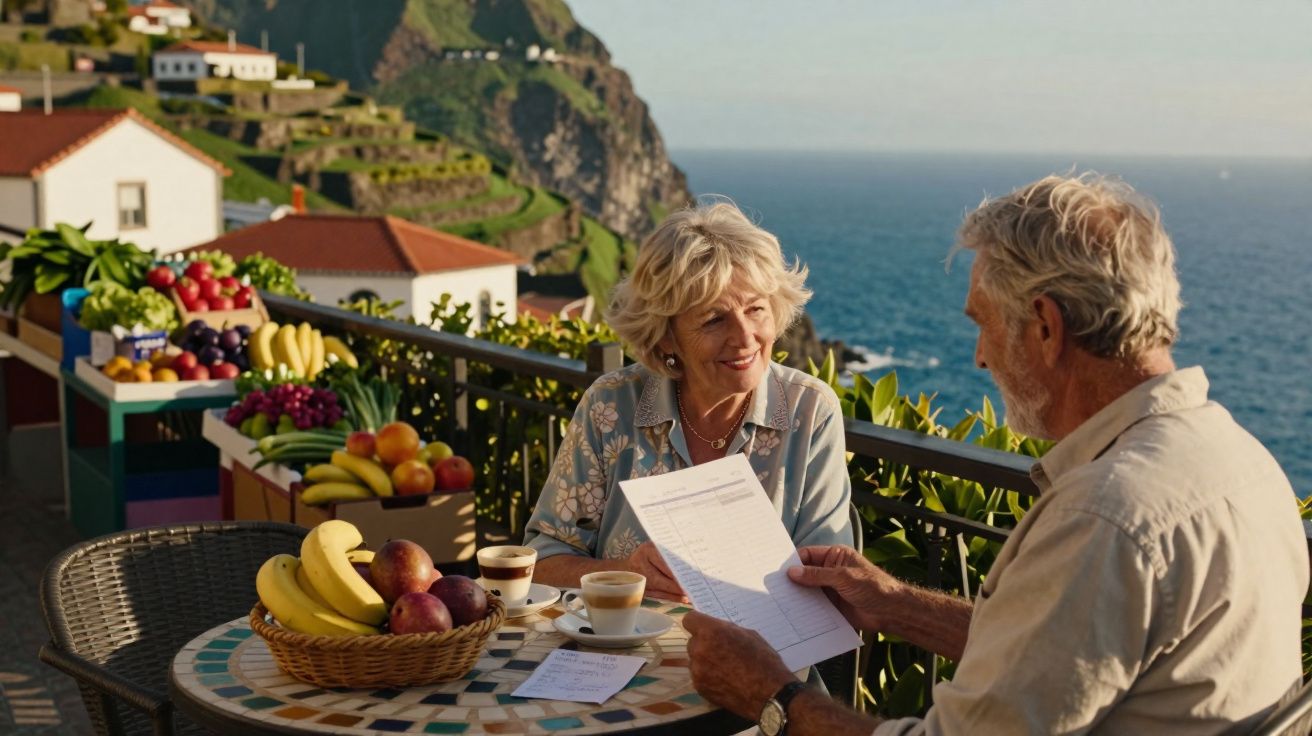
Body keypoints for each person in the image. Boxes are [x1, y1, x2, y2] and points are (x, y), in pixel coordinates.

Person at [683, 173, 1309, 735]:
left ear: (1045, 325)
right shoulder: (1240, 459)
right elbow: (1067, 656)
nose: (980, 357)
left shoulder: (1104, 517)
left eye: (983, 323)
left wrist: (773, 696)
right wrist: (898, 606)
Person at [522, 202, 853, 599]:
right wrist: (626, 575)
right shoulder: (611, 406)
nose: (745, 337)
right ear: (666, 335)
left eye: (756, 309)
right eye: (714, 319)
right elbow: (541, 561)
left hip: (762, 657)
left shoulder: (810, 412)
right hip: (625, 653)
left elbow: (831, 583)